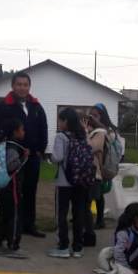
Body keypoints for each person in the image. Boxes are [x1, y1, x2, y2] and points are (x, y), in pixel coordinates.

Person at [0, 72, 48, 238]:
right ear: (13, 86)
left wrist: (40, 150)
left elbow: (44, 128)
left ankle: (29, 225)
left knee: (30, 190)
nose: (22, 87)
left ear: (29, 87)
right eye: (19, 84)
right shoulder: (3, 106)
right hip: (12, 158)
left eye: (25, 84)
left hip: (33, 157)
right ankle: (13, 227)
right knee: (13, 193)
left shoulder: (36, 106)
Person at [48, 107, 88, 259]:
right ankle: (78, 247)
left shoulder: (61, 136)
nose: (58, 123)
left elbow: (57, 157)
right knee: (78, 214)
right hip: (80, 181)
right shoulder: (82, 135)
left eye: (60, 120)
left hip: (64, 181)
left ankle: (63, 246)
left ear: (65, 121)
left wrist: (50, 158)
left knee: (62, 214)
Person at [0, 118, 30, 257]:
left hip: (2, 186)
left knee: (4, 213)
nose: (24, 132)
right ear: (15, 132)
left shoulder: (3, 145)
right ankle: (13, 245)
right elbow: (12, 166)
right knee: (14, 215)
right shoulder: (14, 147)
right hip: (12, 186)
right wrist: (24, 158)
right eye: (22, 129)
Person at [88, 103, 120, 228]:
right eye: (91, 115)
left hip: (103, 164)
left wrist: (96, 125)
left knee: (97, 194)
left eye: (96, 115)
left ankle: (99, 219)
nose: (93, 118)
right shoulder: (93, 128)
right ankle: (90, 217)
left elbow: (109, 137)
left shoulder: (108, 129)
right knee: (94, 194)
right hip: (94, 164)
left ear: (102, 116)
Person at [83, 114, 108, 247]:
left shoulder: (99, 134)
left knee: (87, 205)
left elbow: (90, 148)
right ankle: (87, 231)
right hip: (87, 174)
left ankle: (89, 235)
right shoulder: (93, 133)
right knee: (84, 204)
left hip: (94, 174)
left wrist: (85, 133)